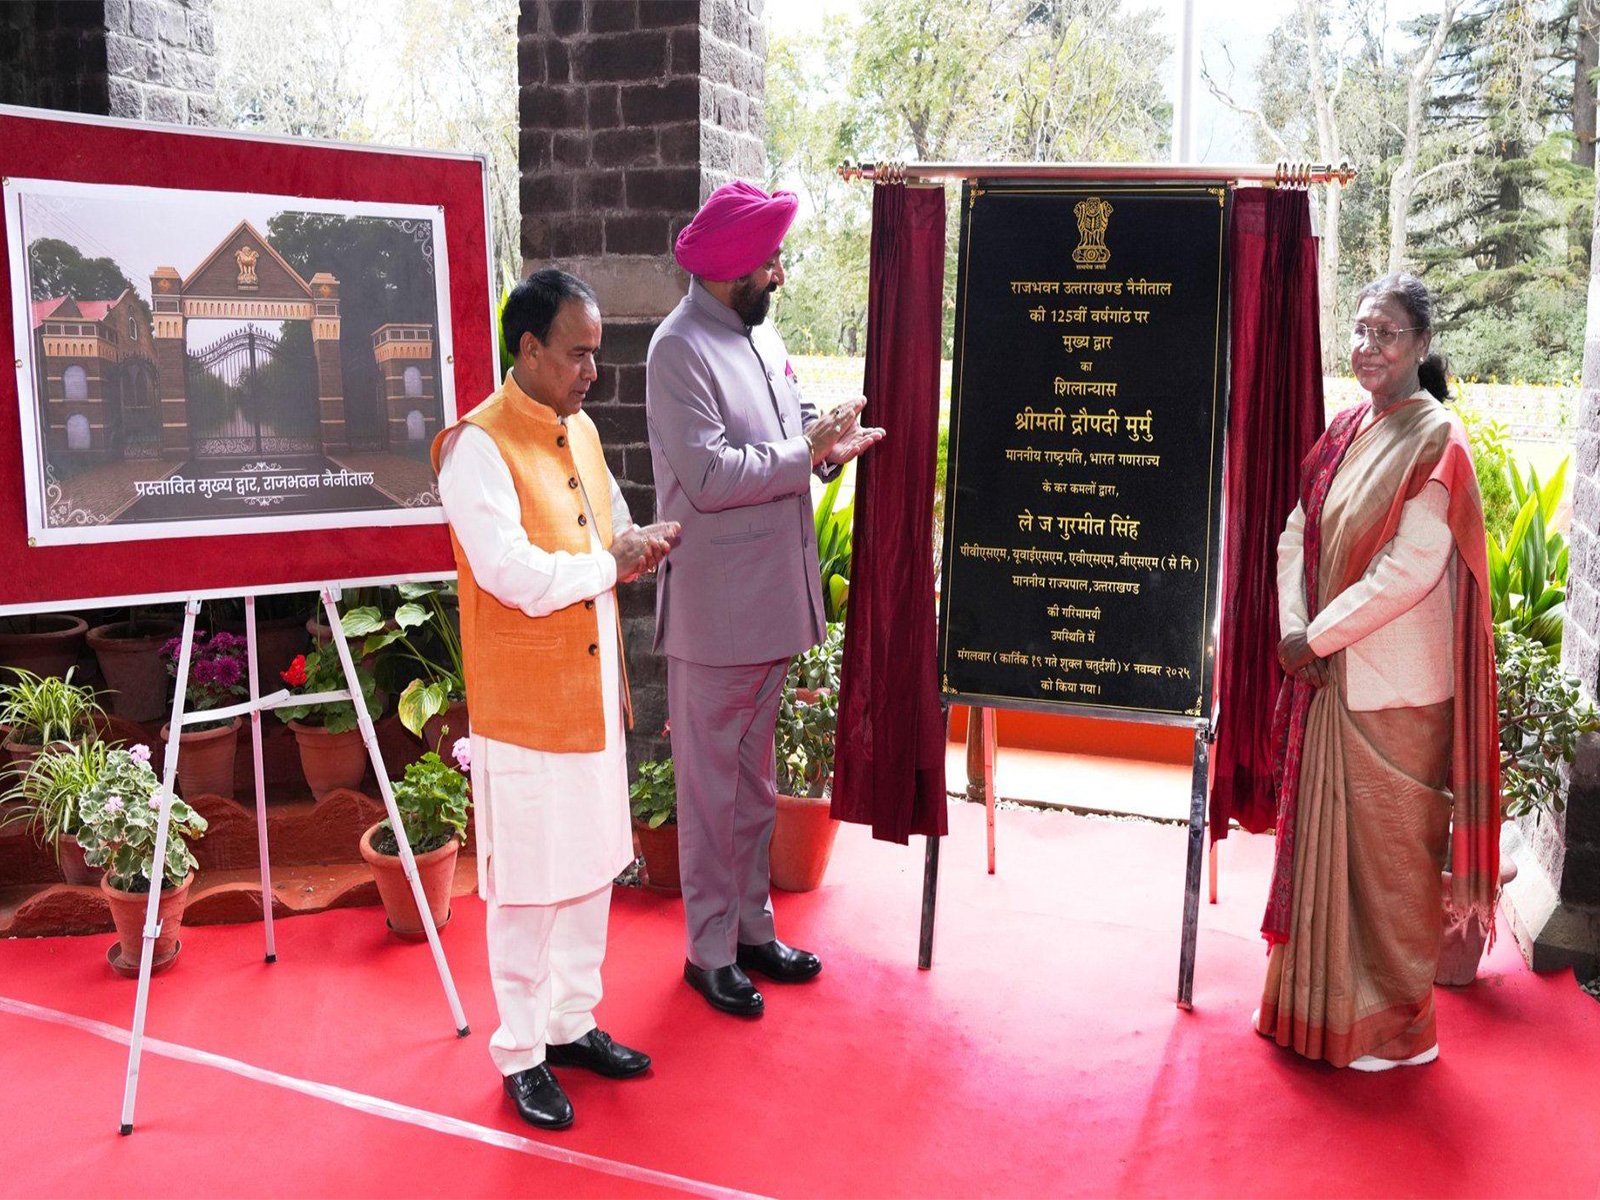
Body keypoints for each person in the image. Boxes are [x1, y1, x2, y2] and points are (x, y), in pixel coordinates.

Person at [432, 269, 680, 1128]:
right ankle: (523, 1051)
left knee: (590, 869)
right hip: (527, 711)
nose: (591, 372)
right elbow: (509, 574)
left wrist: (636, 541)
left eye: (596, 356)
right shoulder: (476, 447)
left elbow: (607, 520)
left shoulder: (577, 431)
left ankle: (573, 1023)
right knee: (532, 886)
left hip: (590, 696)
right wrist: (612, 564)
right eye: (577, 354)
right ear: (528, 348)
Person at [645, 180, 884, 1016]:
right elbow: (708, 476)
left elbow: (784, 432)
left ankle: (751, 929)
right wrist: (798, 451)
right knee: (711, 797)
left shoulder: (754, 331)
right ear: (732, 268)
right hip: (717, 619)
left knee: (750, 790)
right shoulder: (679, 350)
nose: (779, 276)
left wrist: (827, 445)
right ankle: (708, 955)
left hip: (770, 604)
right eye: (770, 263)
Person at [1255, 272, 1501, 1071]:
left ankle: (1399, 1028)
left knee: (1392, 868)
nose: (1368, 345)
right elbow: (1298, 527)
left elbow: (1411, 568)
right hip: (1330, 671)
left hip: (1394, 687)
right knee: (1337, 863)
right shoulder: (1344, 430)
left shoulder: (1438, 441)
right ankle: (1324, 1014)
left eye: (1387, 332)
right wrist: (1299, 630)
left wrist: (1315, 639)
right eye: (1361, 330)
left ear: (1422, 344)